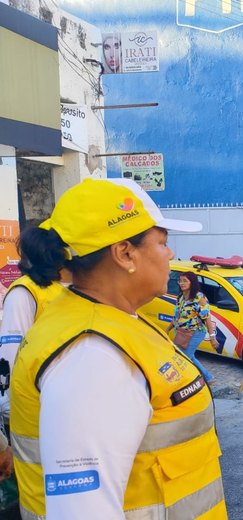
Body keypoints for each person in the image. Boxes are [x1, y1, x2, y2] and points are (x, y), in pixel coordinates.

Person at [9, 178, 227, 518]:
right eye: (162, 242)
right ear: (125, 253)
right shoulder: (91, 356)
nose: (170, 253)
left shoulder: (114, 321)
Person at [0, 229, 71, 516]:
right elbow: (10, 359)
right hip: (36, 411)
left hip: (50, 410)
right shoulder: (29, 292)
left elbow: (8, 359)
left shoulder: (49, 291)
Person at [166, 271, 220, 385]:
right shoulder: (181, 297)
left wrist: (212, 337)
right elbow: (177, 317)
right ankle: (208, 378)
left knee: (183, 356)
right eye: (180, 280)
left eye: (185, 281)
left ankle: (188, 380)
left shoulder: (199, 298)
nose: (182, 283)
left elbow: (207, 318)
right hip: (182, 333)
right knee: (189, 356)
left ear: (192, 282)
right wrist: (167, 330)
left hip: (196, 333)